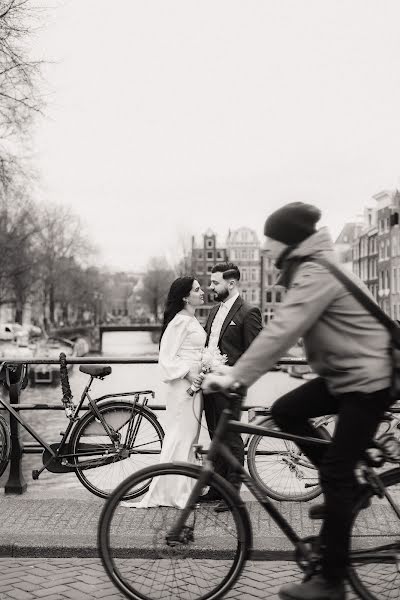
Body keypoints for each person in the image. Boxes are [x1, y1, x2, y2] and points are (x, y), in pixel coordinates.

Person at [203, 202, 393, 600]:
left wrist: (237, 376)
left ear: (287, 243)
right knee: (285, 410)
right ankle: (342, 489)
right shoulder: (310, 267)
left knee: (338, 474)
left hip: (367, 379)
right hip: (344, 374)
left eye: (271, 244)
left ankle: (331, 582)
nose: (267, 252)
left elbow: (281, 332)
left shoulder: (316, 271)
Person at [122, 276, 205, 509]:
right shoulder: (179, 321)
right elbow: (166, 358)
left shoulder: (191, 319)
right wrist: (190, 373)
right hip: (184, 387)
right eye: (197, 290)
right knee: (180, 435)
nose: (202, 292)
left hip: (195, 385)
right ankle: (175, 495)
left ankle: (182, 491)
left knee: (189, 438)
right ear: (185, 296)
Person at [199, 262, 262, 512]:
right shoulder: (214, 311)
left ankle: (233, 495)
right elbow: (209, 343)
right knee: (215, 435)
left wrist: (234, 377)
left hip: (231, 386)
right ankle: (217, 488)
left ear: (231, 283)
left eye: (215, 282)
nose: (211, 286)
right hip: (211, 384)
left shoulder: (249, 312)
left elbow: (255, 352)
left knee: (232, 440)